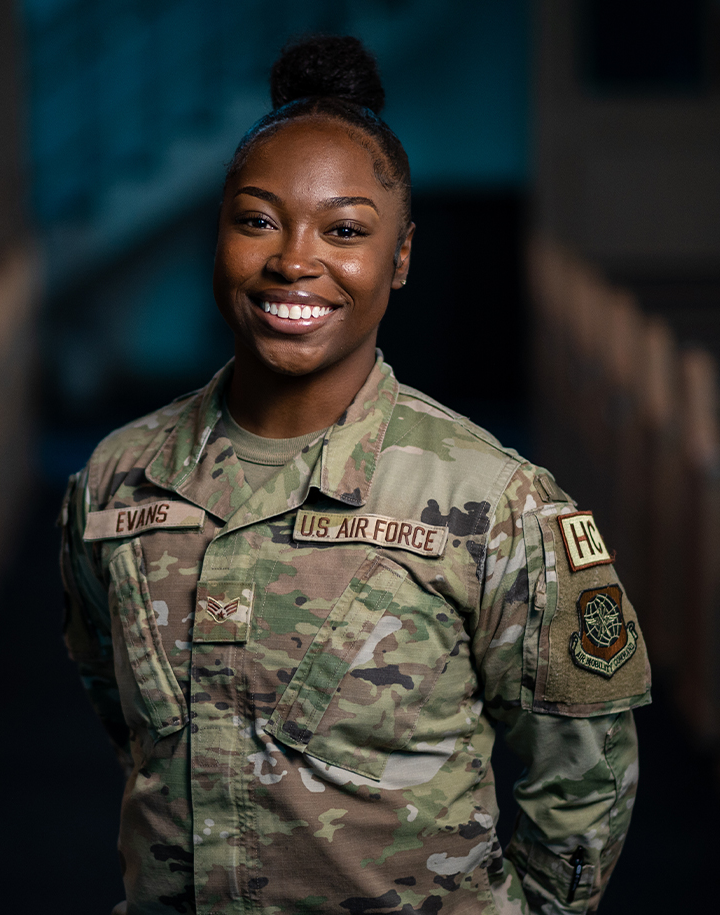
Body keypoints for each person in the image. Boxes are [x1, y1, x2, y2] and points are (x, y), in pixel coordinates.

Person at [60, 35, 651, 915]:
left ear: (401, 257)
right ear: (216, 232)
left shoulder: (498, 502)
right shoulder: (117, 481)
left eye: (345, 230)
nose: (296, 260)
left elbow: (586, 774)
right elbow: (127, 718)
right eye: (257, 219)